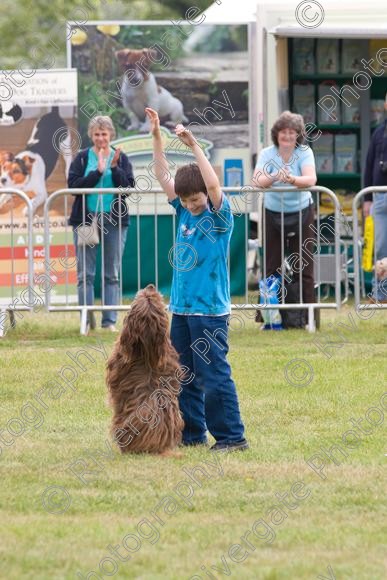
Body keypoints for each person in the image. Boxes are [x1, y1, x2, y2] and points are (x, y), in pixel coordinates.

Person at [145, 106, 248, 453]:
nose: (189, 205)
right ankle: (192, 434)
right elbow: (162, 175)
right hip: (184, 310)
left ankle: (232, 436)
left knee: (213, 375)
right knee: (183, 374)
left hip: (209, 312)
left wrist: (193, 147)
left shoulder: (220, 218)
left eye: (195, 199)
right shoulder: (183, 212)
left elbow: (214, 183)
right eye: (186, 200)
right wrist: (157, 134)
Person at [68, 115, 135, 332]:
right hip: (86, 220)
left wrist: (114, 169)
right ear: (91, 135)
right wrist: (97, 172)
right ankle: (85, 321)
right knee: (85, 274)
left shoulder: (121, 157)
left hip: (114, 221)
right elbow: (74, 185)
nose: (100, 138)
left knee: (111, 273)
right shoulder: (81, 158)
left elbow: (127, 188)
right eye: (96, 134)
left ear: (111, 135)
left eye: (104, 134)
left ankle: (109, 322)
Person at [252, 111, 317, 313]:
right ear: (276, 134)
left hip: (302, 212)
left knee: (304, 267)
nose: (288, 136)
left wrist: (292, 180)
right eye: (283, 132)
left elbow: (310, 179)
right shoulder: (266, 153)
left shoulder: (305, 152)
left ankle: (308, 317)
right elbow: (257, 181)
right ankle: (270, 317)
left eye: (292, 132)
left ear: (298, 135)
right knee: (271, 267)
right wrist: (274, 177)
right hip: (272, 212)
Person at [363, 93, 387, 302]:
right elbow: (369, 165)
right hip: (379, 198)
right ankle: (380, 294)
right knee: (379, 247)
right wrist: (367, 199)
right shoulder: (379, 133)